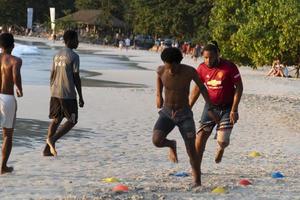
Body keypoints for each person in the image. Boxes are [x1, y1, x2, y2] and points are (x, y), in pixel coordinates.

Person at [153, 47, 212, 186]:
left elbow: (202, 88)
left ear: (178, 63)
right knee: (157, 140)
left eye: (172, 68)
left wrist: (211, 106)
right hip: (167, 112)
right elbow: (159, 81)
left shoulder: (189, 72)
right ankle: (171, 145)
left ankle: (197, 181)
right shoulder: (161, 70)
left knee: (191, 150)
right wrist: (158, 96)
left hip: (184, 114)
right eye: (167, 66)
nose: (170, 70)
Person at [189, 41, 243, 182]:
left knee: (223, 140)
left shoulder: (229, 67)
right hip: (210, 107)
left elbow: (239, 87)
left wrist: (234, 109)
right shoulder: (201, 68)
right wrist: (188, 107)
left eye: (211, 57)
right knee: (200, 139)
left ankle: (221, 148)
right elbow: (197, 89)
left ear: (218, 54)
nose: (208, 60)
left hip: (227, 108)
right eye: (205, 58)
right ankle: (196, 168)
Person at [43, 30, 84, 157]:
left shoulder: (56, 55)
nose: (78, 42)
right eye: (76, 39)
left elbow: (52, 74)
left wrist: (52, 89)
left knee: (56, 119)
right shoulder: (74, 56)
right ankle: (53, 139)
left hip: (55, 91)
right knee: (72, 120)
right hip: (67, 93)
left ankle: (46, 149)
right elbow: (76, 77)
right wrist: (81, 96)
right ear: (70, 40)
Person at [0, 33, 23, 174]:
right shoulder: (16, 60)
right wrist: (19, 89)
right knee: (8, 134)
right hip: (7, 97)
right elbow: (15, 75)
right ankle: (3, 167)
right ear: (13, 46)